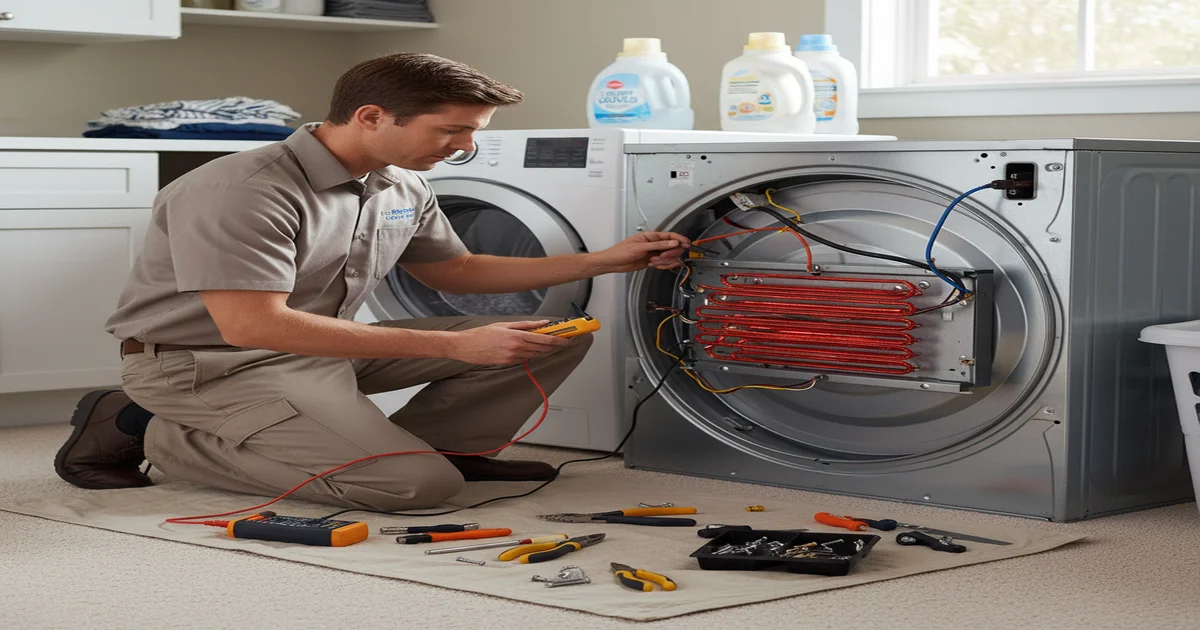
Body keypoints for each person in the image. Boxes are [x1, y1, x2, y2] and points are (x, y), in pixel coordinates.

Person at [53, 52, 690, 512]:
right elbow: (252, 326)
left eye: (474, 133)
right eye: (452, 131)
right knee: (415, 490)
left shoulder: (399, 181)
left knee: (551, 333)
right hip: (209, 364)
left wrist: (603, 260)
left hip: (319, 350)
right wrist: (452, 347)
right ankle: (150, 429)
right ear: (371, 115)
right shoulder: (243, 191)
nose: (464, 148)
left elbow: (457, 272)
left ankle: (446, 449)